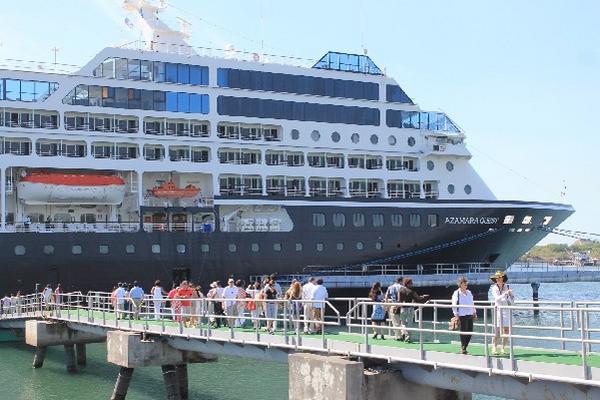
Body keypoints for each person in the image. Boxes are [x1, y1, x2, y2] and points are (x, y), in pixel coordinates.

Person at [397, 277, 429, 342]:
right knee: (410, 324)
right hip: (410, 309)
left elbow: (399, 300)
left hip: (403, 308)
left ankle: (405, 334)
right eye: (411, 283)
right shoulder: (411, 291)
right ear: (408, 284)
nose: (412, 284)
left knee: (403, 323)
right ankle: (408, 337)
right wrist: (424, 297)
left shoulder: (401, 290)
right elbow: (418, 299)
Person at [490, 270, 514, 355]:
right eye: (497, 278)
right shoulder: (494, 288)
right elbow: (496, 298)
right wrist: (505, 294)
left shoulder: (507, 286)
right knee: (497, 330)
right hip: (498, 310)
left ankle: (503, 348)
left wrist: (510, 295)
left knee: (506, 330)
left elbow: (512, 300)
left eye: (500, 277)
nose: (498, 279)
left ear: (503, 278)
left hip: (506, 309)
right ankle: (494, 347)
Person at [452, 277, 477, 354]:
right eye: (464, 284)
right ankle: (463, 348)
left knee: (470, 331)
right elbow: (454, 304)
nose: (466, 285)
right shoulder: (457, 293)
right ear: (460, 284)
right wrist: (456, 315)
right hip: (462, 315)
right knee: (464, 331)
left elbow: (472, 303)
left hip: (470, 314)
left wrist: (474, 312)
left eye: (466, 284)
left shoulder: (469, 292)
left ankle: (465, 347)